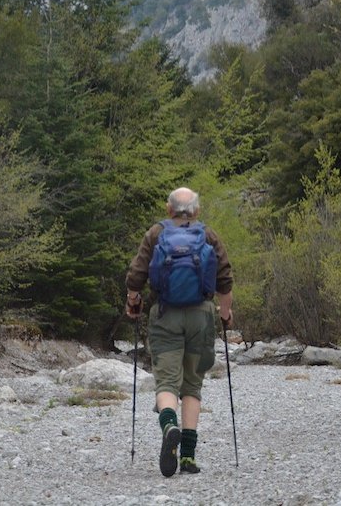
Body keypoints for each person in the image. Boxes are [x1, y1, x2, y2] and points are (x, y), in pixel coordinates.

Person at [125, 186, 233, 477]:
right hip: (201, 316)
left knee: (167, 384)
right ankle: (187, 457)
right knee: (192, 386)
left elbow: (136, 276)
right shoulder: (208, 234)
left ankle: (169, 425)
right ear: (196, 211)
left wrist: (133, 302)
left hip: (165, 315)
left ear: (168, 208)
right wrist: (224, 312)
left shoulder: (156, 233)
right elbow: (225, 277)